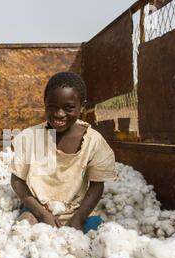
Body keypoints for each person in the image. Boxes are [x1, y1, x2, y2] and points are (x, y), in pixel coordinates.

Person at [10, 72, 116, 233]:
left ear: (82, 107)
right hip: (38, 210)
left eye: (69, 108)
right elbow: (17, 180)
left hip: (78, 211)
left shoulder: (93, 141)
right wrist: (42, 213)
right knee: (23, 234)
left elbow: (96, 185)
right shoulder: (32, 137)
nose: (59, 114)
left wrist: (79, 218)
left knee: (99, 237)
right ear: (44, 103)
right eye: (52, 107)